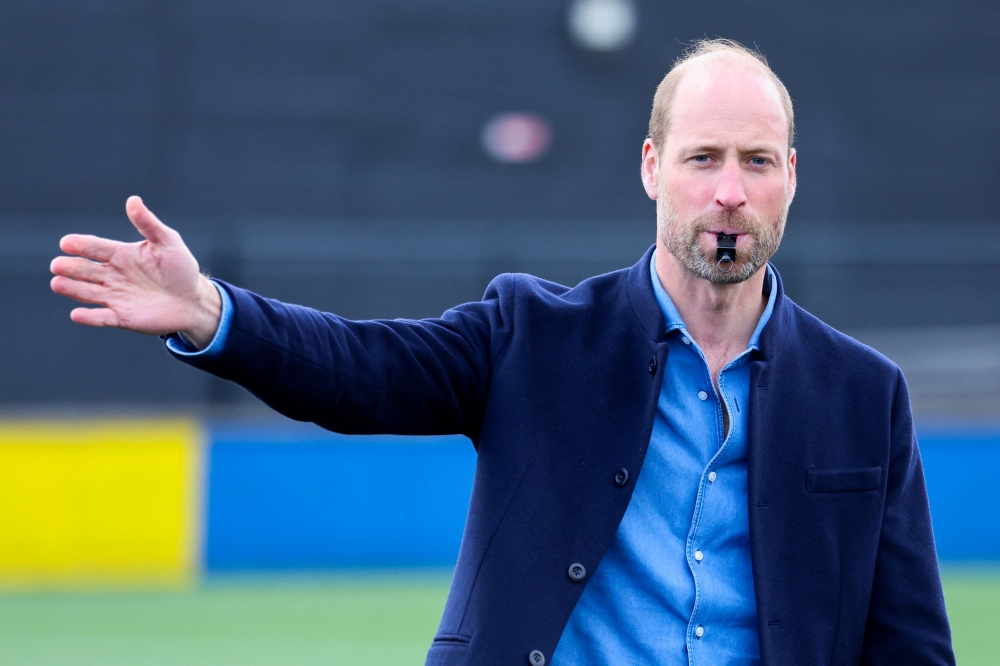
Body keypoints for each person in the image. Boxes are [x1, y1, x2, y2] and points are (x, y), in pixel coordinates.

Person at [50, 39, 954, 666]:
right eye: (702, 158)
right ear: (650, 167)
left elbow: (909, 642)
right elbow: (363, 371)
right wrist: (211, 312)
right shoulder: (535, 336)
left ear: (791, 174)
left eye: (756, 162)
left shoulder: (864, 396)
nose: (728, 192)